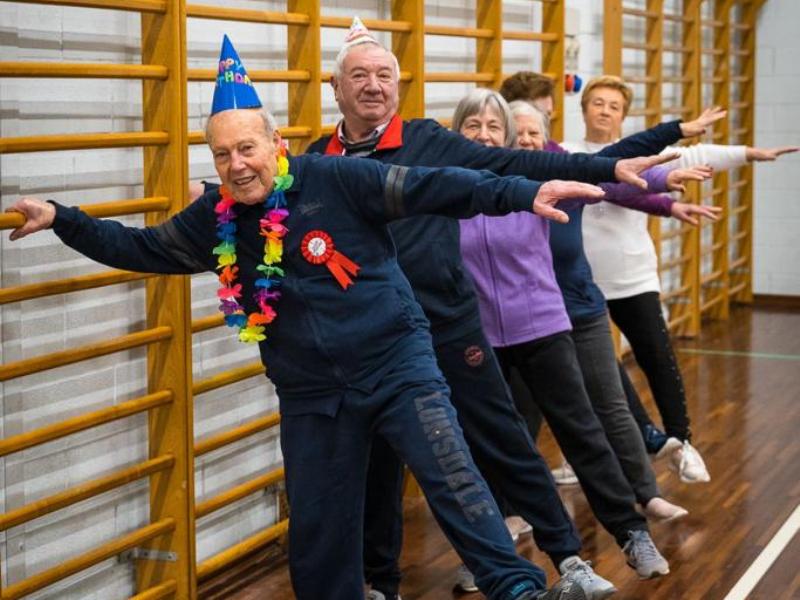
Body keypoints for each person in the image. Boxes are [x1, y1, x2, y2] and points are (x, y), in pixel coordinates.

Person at [7, 36, 611, 600]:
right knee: (318, 531)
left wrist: (519, 194)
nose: (237, 164)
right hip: (311, 393)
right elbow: (136, 248)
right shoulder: (215, 221)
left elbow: (434, 186)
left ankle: (518, 588)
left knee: (454, 479)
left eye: (247, 148)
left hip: (396, 363)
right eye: (222, 154)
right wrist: (62, 216)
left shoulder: (337, 177)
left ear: (277, 146)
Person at [456, 90, 718, 584]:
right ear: (458, 133)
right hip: (482, 334)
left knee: (588, 430)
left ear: (513, 137)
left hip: (545, 322)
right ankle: (489, 557)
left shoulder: (541, 175)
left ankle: (630, 530)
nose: (485, 134)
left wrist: (666, 165)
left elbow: (609, 170)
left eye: (495, 126)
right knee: (495, 446)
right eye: (473, 126)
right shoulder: (450, 186)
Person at [563, 75, 799, 482]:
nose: (604, 110)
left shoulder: (644, 155)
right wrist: (666, 205)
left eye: (613, 106)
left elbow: (693, 154)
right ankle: (585, 456)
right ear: (583, 108)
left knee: (657, 358)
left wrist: (749, 153)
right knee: (592, 373)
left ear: (624, 115)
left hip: (632, 277)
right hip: (581, 283)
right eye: (597, 103)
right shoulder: (565, 152)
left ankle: (681, 442)